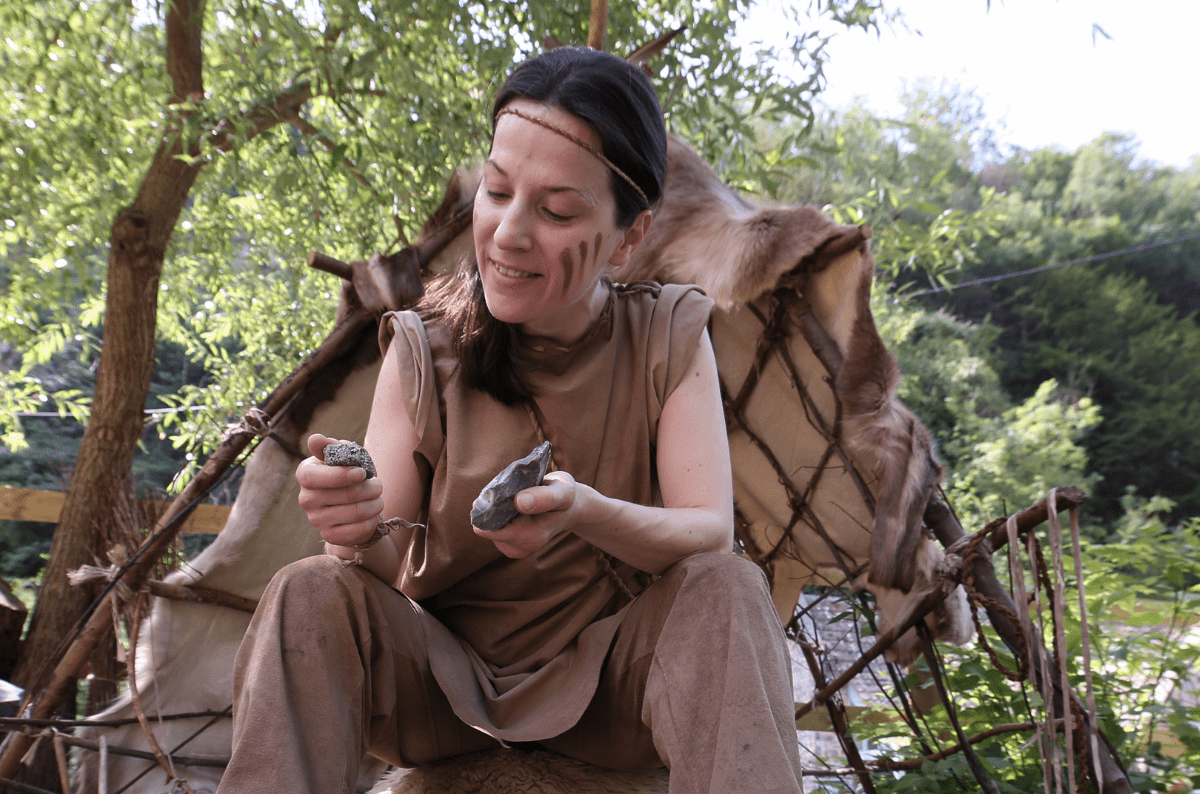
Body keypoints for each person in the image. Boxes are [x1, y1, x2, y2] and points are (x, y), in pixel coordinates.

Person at [218, 46, 803, 794]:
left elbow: (705, 531)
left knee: (727, 589)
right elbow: (380, 563)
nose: (508, 234)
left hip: (610, 694)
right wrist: (351, 521)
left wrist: (582, 512)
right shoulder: (421, 348)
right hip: (438, 695)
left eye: (557, 210)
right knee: (308, 588)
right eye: (496, 192)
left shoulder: (670, 333)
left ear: (628, 237)